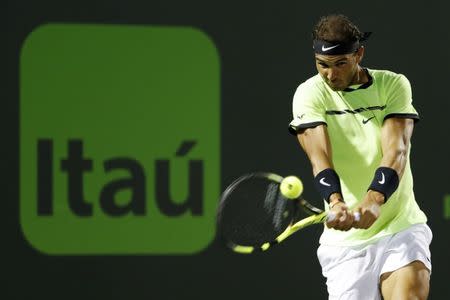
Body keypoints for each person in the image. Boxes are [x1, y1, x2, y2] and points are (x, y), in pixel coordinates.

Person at [288, 14, 432, 300]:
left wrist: (374, 199)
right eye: (323, 65)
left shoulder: (392, 85)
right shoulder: (308, 93)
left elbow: (397, 151)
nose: (331, 75)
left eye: (340, 63)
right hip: (345, 247)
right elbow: (320, 158)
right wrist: (336, 202)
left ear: (359, 54)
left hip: (399, 227)